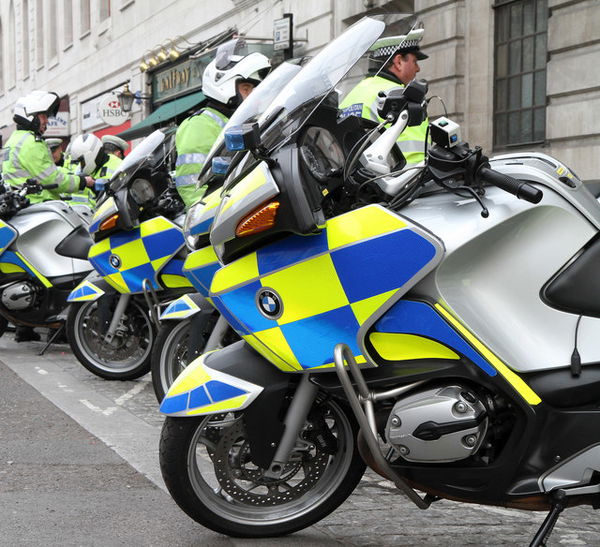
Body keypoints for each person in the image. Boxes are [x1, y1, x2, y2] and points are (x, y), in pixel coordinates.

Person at [174, 40, 271, 208]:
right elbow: (192, 185)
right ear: (223, 85)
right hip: (222, 214)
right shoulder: (200, 124)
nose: (251, 95)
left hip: (248, 205)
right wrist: (209, 215)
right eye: (246, 88)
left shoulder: (241, 121)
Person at [339, 33, 430, 168]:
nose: (418, 68)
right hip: (394, 182)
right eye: (414, 61)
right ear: (399, 62)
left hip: (357, 179)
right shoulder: (401, 96)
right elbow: (413, 154)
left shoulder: (354, 93)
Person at [1, 90, 95, 204]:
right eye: (43, 116)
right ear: (30, 116)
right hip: (38, 204)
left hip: (22, 205)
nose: (46, 121)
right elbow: (52, 179)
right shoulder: (31, 143)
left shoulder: (13, 140)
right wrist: (82, 181)